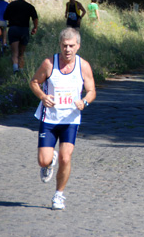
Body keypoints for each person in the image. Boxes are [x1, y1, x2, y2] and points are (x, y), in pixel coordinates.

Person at [30, 27, 96, 210]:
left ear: (78, 46)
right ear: (60, 45)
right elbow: (34, 82)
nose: (67, 49)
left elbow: (91, 91)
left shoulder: (83, 66)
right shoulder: (49, 64)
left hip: (70, 120)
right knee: (43, 160)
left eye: (71, 46)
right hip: (49, 119)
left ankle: (59, 195)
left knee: (66, 158)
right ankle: (50, 161)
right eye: (64, 45)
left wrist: (84, 102)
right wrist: (43, 96)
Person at [3, 0, 38, 74]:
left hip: (13, 29)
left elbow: (5, 17)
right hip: (24, 30)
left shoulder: (11, 5)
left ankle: (15, 69)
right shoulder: (29, 6)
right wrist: (35, 28)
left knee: (14, 52)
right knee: (21, 53)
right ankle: (21, 71)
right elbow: (35, 18)